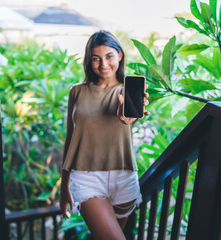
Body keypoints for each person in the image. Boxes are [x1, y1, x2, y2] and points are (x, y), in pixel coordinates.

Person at [59, 30, 150, 240]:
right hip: (87, 179)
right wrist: (64, 185)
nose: (103, 64)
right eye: (95, 58)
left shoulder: (128, 91)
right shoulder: (77, 92)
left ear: (119, 55)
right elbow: (70, 138)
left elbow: (128, 118)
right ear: (89, 61)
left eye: (109, 56)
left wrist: (127, 117)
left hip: (124, 178)